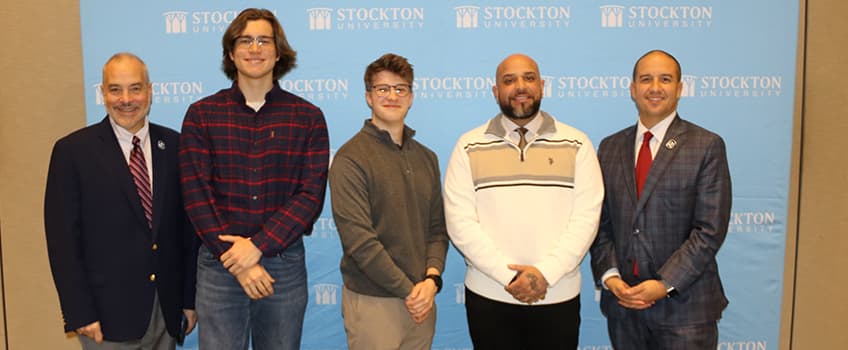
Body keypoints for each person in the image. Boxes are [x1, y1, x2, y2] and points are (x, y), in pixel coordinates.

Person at [179, 8, 330, 350]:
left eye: (264, 40)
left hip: (283, 266)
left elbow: (310, 196)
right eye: (245, 40)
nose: (255, 48)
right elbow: (196, 195)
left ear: (279, 52)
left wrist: (258, 246)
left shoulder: (307, 118)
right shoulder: (202, 115)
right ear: (231, 52)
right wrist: (239, 260)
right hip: (220, 266)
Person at [443, 53, 603, 349]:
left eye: (529, 78)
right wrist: (510, 278)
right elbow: (460, 222)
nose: (520, 86)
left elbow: (586, 219)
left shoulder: (578, 143)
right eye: (509, 80)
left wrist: (545, 275)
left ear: (542, 86)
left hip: (557, 295)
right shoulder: (468, 145)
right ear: (495, 91)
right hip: (490, 296)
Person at [44, 52, 198, 349]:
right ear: (102, 93)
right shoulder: (72, 152)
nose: (126, 99)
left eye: (135, 88)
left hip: (165, 312)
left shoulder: (177, 146)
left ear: (150, 91)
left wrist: (189, 300)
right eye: (115, 89)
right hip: (105, 317)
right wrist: (79, 312)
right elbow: (62, 242)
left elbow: (188, 235)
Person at [590, 49, 732, 349]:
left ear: (680, 88)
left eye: (665, 79)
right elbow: (600, 225)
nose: (655, 88)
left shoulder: (706, 146)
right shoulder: (610, 147)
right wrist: (611, 277)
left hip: (686, 310)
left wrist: (664, 284)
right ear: (632, 89)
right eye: (646, 79)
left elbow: (709, 231)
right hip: (624, 307)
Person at [328, 53, 449, 350]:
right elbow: (360, 242)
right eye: (383, 89)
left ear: (411, 97)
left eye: (400, 88)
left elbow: (437, 229)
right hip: (374, 303)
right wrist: (411, 291)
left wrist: (432, 280)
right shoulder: (350, 159)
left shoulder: (427, 158)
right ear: (369, 97)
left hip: (422, 300)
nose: (392, 96)